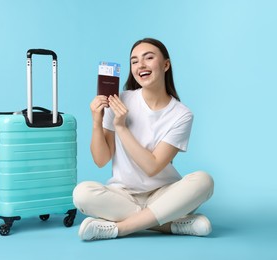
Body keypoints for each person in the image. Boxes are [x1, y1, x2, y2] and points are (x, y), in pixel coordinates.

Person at [73, 38, 214, 241]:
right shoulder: (119, 99)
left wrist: (121, 127)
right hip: (123, 195)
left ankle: (119, 229)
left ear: (166, 65)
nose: (141, 65)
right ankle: (169, 224)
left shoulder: (182, 115)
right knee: (82, 193)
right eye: (134, 61)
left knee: (204, 181)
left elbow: (152, 166)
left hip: (164, 193)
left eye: (149, 58)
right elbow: (101, 160)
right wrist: (96, 122)